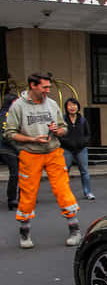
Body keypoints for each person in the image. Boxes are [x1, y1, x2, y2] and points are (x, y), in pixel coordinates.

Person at [3, 73, 81, 249]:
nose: (48, 90)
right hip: (30, 154)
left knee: (62, 188)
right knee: (28, 193)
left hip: (53, 151)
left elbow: (63, 128)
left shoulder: (52, 104)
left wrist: (57, 130)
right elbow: (9, 133)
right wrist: (31, 139)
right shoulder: (18, 107)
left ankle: (75, 229)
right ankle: (25, 232)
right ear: (33, 85)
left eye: (49, 87)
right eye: (44, 87)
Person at [59, 98, 95, 200]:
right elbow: (59, 134)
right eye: (69, 105)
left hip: (81, 149)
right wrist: (66, 143)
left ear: (78, 107)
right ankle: (64, 194)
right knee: (65, 172)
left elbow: (87, 134)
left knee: (84, 171)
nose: (72, 107)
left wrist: (84, 142)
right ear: (66, 107)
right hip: (66, 149)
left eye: (74, 105)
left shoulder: (82, 120)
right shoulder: (62, 119)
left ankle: (88, 192)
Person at [0, 91, 19, 211]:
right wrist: (19, 149)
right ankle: (12, 199)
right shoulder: (5, 115)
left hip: (9, 148)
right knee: (15, 173)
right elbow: (6, 136)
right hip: (6, 148)